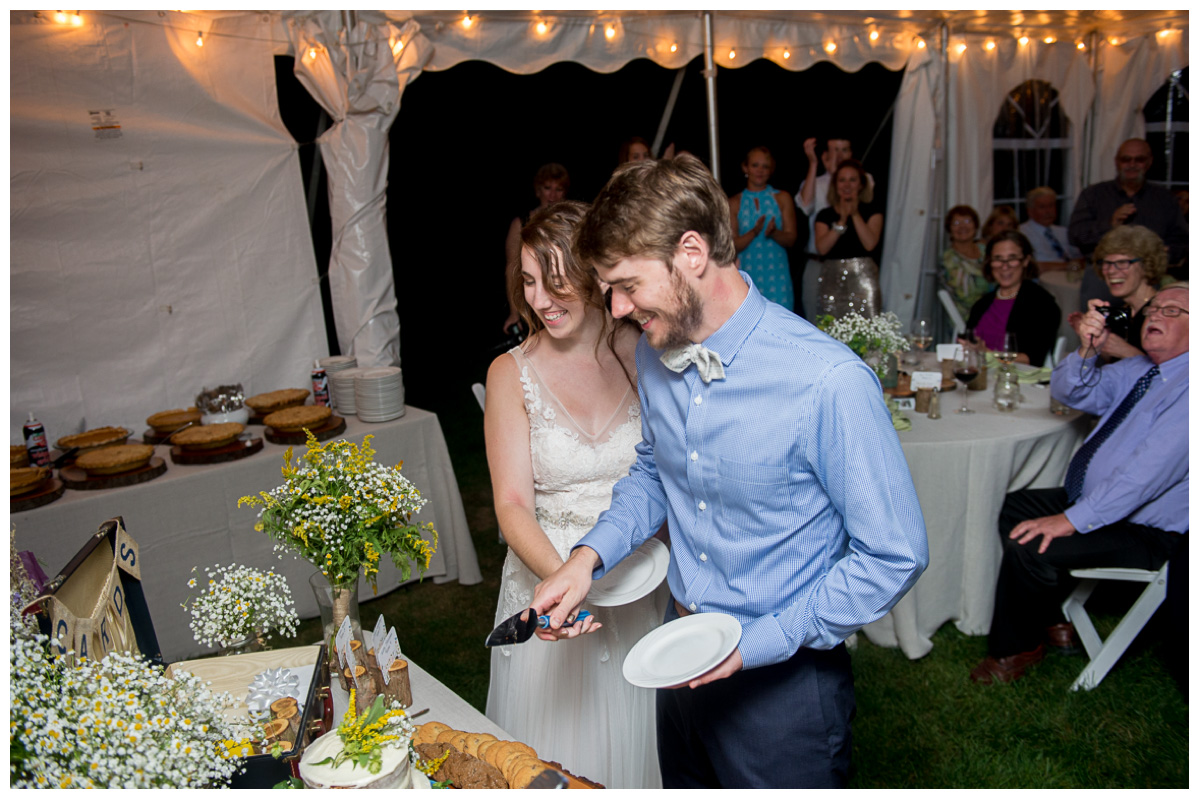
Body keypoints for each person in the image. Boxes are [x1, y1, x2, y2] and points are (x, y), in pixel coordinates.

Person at [531, 154, 928, 788]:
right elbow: (655, 472)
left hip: (783, 688)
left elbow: (894, 554)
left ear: (691, 251)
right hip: (677, 650)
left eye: (627, 284)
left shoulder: (826, 381)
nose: (617, 306)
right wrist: (586, 559)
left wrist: (764, 641)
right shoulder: (659, 355)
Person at [484, 200, 665, 789]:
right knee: (552, 758)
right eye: (529, 281)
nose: (538, 300)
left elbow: (667, 469)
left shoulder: (642, 350)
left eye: (555, 280)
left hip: (640, 582)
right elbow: (511, 504)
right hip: (549, 582)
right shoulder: (510, 373)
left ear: (591, 273)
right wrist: (563, 586)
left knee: (641, 744)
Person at [970, 282, 1188, 685]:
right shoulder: (1142, 371)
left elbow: (1144, 478)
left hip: (1148, 531)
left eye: (1173, 311)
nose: (1155, 314)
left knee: (1032, 542)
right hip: (1101, 504)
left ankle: (1015, 649)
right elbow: (1068, 390)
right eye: (1154, 307)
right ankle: (1054, 620)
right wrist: (1086, 349)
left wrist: (1069, 520)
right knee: (1013, 506)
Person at [1068, 138, 1188, 309]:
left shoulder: (1164, 198)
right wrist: (1110, 225)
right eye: (1126, 159)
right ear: (1117, 162)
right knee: (1095, 330)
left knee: (1146, 332)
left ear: (1149, 162)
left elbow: (1182, 241)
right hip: (1102, 278)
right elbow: (1075, 236)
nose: (1132, 164)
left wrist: (1167, 253)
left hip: (1148, 281)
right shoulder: (1094, 194)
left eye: (1139, 159)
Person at [794, 136, 875, 320]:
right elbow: (805, 206)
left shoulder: (864, 180)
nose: (839, 155)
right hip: (821, 262)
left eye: (844, 150)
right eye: (834, 150)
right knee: (820, 320)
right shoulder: (817, 181)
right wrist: (813, 164)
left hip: (857, 267)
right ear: (825, 154)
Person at [1068, 225, 1166, 360]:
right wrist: (1092, 341)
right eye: (1106, 263)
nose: (1111, 271)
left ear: (1147, 265)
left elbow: (1174, 375)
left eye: (1122, 262)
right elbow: (1115, 368)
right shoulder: (1121, 314)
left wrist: (1128, 352)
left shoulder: (1164, 315)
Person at [964, 231, 1061, 366]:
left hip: (1017, 381)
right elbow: (967, 343)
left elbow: (1033, 358)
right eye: (998, 259)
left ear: (1026, 261)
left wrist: (989, 355)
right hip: (980, 376)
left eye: (1012, 258)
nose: (1005, 266)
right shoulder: (982, 304)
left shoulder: (1042, 303)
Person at [728, 146, 798, 310]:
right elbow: (733, 245)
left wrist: (774, 233)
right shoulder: (734, 202)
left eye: (765, 166)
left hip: (777, 274)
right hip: (748, 274)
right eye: (755, 165)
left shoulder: (782, 197)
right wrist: (754, 232)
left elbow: (791, 239)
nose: (760, 171)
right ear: (746, 168)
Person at [502, 163, 569, 332]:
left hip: (565, 297)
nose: (552, 195)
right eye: (547, 188)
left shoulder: (570, 223)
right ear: (538, 190)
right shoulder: (521, 223)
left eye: (558, 189)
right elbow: (512, 269)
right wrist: (514, 313)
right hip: (532, 302)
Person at [814, 159, 884, 318]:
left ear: (861, 184)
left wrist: (854, 213)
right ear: (835, 185)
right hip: (832, 281)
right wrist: (841, 222)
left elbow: (870, 243)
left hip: (863, 280)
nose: (847, 185)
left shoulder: (872, 211)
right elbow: (822, 248)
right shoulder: (825, 215)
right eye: (842, 180)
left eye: (852, 180)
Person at [940, 204, 991, 321]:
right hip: (968, 318)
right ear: (949, 229)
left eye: (967, 221)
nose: (962, 226)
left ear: (976, 225)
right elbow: (966, 295)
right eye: (956, 223)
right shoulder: (948, 258)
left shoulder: (985, 250)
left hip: (992, 311)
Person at [1019, 186, 1083, 273]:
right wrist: (1069, 266)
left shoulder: (1063, 231)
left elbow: (1080, 258)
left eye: (1051, 206)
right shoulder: (1023, 233)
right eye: (1042, 207)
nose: (1048, 211)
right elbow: (1032, 266)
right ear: (1030, 211)